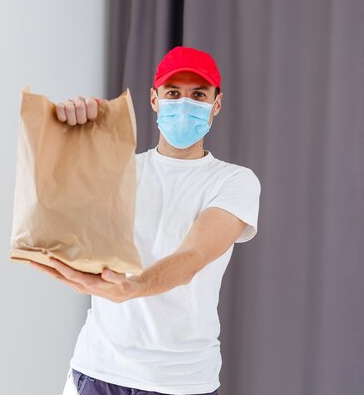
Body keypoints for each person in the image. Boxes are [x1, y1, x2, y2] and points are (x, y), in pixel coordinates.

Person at [30, 46, 261, 395]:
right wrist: (67, 133)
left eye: (198, 94)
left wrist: (133, 288)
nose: (184, 104)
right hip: (97, 370)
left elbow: (193, 257)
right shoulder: (119, 171)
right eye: (173, 93)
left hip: (182, 381)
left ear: (217, 103)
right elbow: (53, 215)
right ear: (154, 99)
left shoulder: (233, 181)